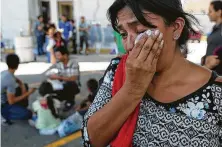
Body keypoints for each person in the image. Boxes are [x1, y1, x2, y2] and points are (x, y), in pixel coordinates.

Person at [82, 0, 222, 146]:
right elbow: (91, 139)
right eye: (123, 34)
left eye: (141, 31)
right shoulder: (118, 71)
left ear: (176, 28)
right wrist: (132, 89)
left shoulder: (216, 93)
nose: (129, 45)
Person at [1, 54, 36, 125]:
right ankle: (5, 115)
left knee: (25, 86)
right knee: (27, 114)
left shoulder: (5, 72)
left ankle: (19, 108)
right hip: (3, 105)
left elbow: (17, 80)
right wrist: (29, 93)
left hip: (6, 98)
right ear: (17, 65)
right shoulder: (10, 80)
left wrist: (22, 85)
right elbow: (11, 101)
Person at [46, 47, 80, 111]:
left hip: (74, 86)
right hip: (62, 84)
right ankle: (57, 100)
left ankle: (70, 101)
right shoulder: (59, 63)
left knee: (70, 84)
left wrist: (58, 77)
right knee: (47, 85)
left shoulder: (73, 63)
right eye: (56, 56)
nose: (57, 57)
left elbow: (73, 78)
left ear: (65, 55)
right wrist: (52, 76)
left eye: (58, 55)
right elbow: (48, 72)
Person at [203, 1, 222, 74]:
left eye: (210, 11)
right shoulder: (215, 28)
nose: (208, 14)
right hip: (211, 71)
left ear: (219, 12)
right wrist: (205, 57)